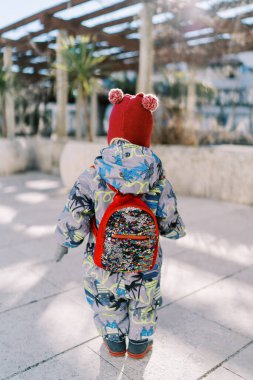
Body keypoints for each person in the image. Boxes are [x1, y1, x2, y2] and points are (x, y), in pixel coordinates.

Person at [55, 88, 186, 359]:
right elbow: (169, 221)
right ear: (145, 135)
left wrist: (65, 242)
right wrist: (175, 231)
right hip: (145, 263)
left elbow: (74, 217)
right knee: (144, 300)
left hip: (102, 260)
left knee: (105, 299)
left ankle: (114, 340)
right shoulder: (158, 179)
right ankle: (139, 343)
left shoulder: (91, 175)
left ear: (111, 132)